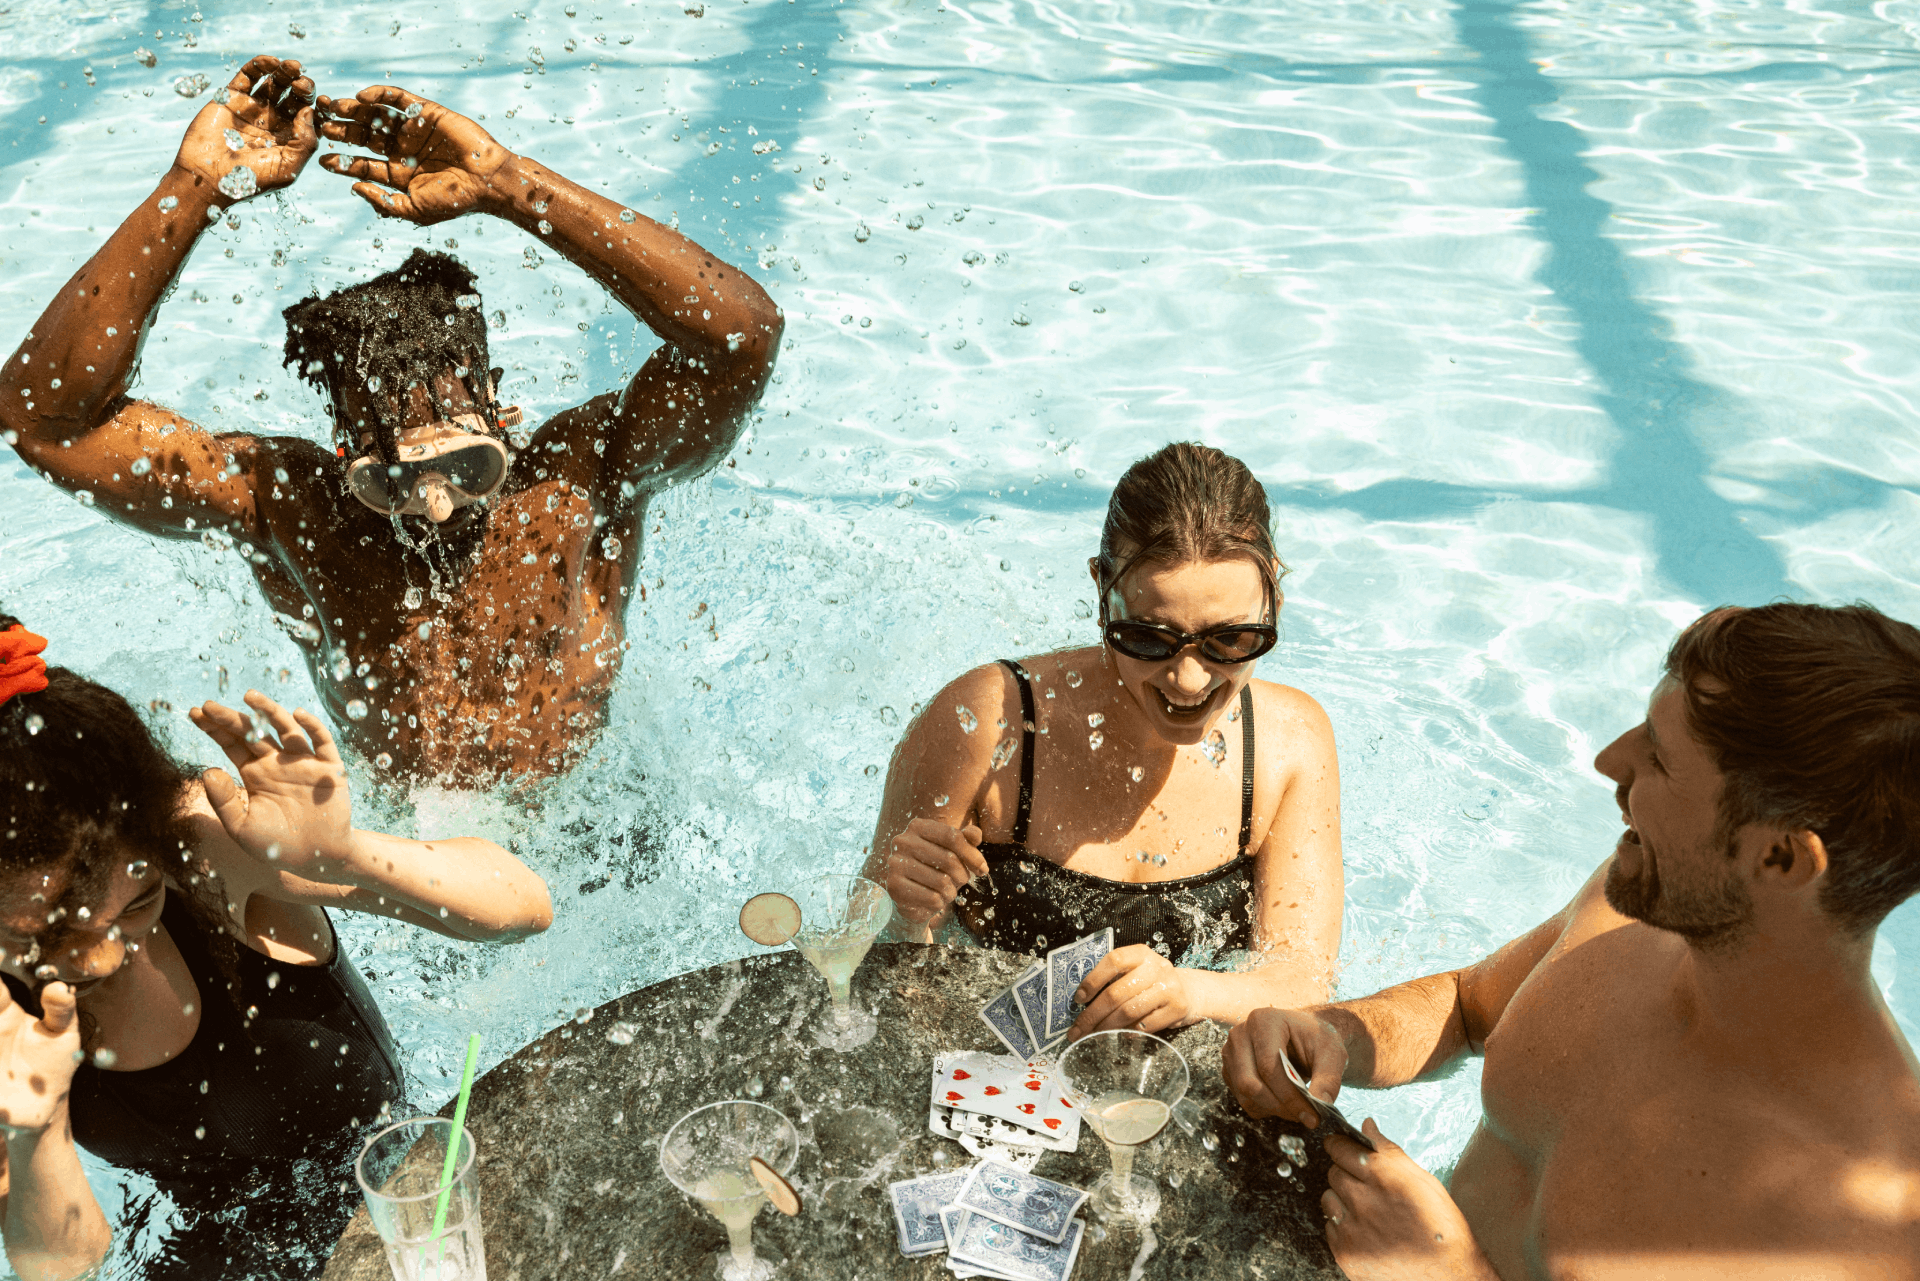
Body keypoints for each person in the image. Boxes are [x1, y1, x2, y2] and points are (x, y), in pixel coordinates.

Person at [0, 55, 784, 787]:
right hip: (412, 855)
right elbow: (40, 421)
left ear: (502, 415)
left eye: (468, 468)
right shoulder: (296, 509)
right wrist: (197, 186)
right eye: (392, 482)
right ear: (345, 455)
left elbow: (741, 339)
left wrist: (513, 186)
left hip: (599, 847)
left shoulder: (579, 478)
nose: (435, 505)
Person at [1224, 602, 1920, 1280]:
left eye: (1660, 759)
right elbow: (1467, 1005)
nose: (1608, 760)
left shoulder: (1857, 1229)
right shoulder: (1637, 912)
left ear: (1780, 859)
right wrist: (1337, 1033)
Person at [0, 612, 553, 1279]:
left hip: (409, 1197)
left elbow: (524, 905)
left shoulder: (209, 847)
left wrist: (348, 856)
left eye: (140, 904)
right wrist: (34, 1126)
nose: (104, 958)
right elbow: (64, 1265)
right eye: (44, 939)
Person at [865, 442, 1343, 1038]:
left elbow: (1302, 979)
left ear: (1274, 592)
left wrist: (1188, 990)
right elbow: (868, 963)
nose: (1189, 680)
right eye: (1148, 637)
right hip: (994, 1059)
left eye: (1231, 639)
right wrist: (902, 917)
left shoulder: (1289, 744)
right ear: (1100, 589)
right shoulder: (988, 724)